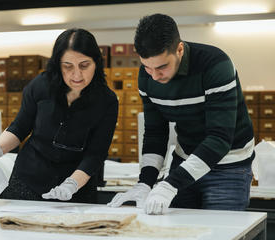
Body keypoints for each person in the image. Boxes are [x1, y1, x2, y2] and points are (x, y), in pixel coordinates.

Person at [108, 13, 255, 214]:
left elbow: (219, 139)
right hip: (185, 159)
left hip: (228, 165)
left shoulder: (215, 64)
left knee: (222, 231)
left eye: (162, 67)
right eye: (147, 67)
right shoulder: (148, 76)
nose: (155, 75)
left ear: (179, 49)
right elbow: (155, 134)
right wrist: (145, 182)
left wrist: (169, 185)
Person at [0, 28, 118, 203]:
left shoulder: (106, 101)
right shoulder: (40, 86)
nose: (77, 74)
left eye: (84, 65)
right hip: (28, 180)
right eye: (68, 66)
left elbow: (96, 153)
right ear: (58, 64)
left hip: (76, 188)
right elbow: (20, 127)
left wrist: (72, 184)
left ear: (96, 63)